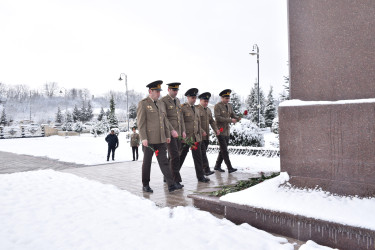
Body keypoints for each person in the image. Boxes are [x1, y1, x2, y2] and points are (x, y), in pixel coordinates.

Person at [136, 80, 182, 193]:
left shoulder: (161, 104)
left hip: (161, 139)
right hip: (149, 140)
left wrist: (168, 134)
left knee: (164, 162)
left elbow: (164, 120)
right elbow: (141, 123)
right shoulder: (143, 103)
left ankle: (171, 184)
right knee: (147, 163)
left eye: (159, 91)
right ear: (150, 91)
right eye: (156, 91)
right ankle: (145, 184)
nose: (158, 93)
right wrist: (144, 138)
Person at [179, 88, 210, 183]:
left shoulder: (196, 109)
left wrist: (201, 133)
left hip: (196, 137)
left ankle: (200, 177)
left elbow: (198, 123)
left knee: (198, 158)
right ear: (187, 97)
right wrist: (182, 134)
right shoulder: (182, 108)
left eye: (195, 97)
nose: (194, 99)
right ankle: (172, 174)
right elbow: (180, 122)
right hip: (186, 138)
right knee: (181, 157)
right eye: (192, 97)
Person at [161, 82, 186, 187]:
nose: (175, 92)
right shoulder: (164, 101)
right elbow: (164, 117)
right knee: (175, 156)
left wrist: (183, 131)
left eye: (176, 90)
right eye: (173, 90)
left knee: (174, 156)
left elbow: (181, 118)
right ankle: (175, 180)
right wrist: (171, 130)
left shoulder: (178, 101)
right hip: (170, 133)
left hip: (178, 133)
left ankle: (167, 177)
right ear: (168, 90)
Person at [214, 89, 240, 173]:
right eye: (226, 98)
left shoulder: (229, 106)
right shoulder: (217, 106)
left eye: (228, 98)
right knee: (224, 150)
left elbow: (232, 114)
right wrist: (230, 120)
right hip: (220, 130)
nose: (227, 100)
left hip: (227, 131)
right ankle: (229, 167)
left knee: (223, 149)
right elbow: (217, 118)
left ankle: (217, 166)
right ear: (222, 98)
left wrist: (237, 117)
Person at [196, 92, 220, 176]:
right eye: (204, 101)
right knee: (202, 153)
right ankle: (206, 170)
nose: (206, 103)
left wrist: (216, 129)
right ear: (200, 100)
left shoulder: (209, 110)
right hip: (199, 135)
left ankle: (202, 170)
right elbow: (195, 123)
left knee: (203, 153)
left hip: (206, 137)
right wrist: (201, 131)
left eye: (207, 101)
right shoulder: (197, 109)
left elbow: (212, 122)